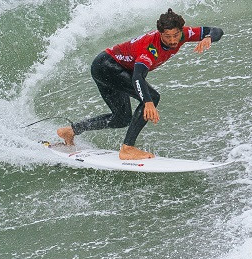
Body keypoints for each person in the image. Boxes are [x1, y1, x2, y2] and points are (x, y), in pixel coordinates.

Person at [56, 9, 224, 160]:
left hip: (108, 66)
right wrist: (148, 102)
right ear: (160, 34)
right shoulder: (151, 48)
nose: (173, 41)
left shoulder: (184, 34)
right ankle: (127, 148)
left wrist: (208, 37)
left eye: (176, 35)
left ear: (181, 31)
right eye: (168, 36)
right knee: (153, 96)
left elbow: (217, 31)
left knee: (122, 118)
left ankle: (70, 131)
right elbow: (138, 76)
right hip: (107, 67)